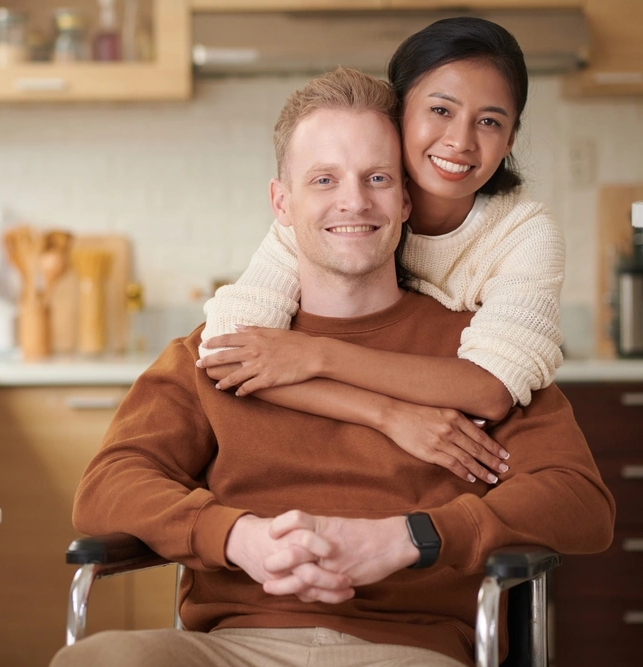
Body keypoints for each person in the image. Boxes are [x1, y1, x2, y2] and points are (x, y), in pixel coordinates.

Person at [50, 68, 614, 667]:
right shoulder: (220, 350)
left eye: (376, 178)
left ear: (403, 200)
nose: (353, 201)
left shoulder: (476, 353)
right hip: (226, 648)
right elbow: (107, 486)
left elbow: (581, 502)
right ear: (282, 203)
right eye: (324, 180)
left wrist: (414, 536)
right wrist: (237, 537)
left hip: (407, 650)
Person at [199, 17, 564, 488]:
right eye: (440, 110)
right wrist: (387, 415)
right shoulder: (351, 216)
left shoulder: (524, 234)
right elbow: (227, 346)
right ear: (400, 113)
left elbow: (492, 390)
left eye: (489, 121)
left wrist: (316, 355)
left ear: (510, 138)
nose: (461, 141)